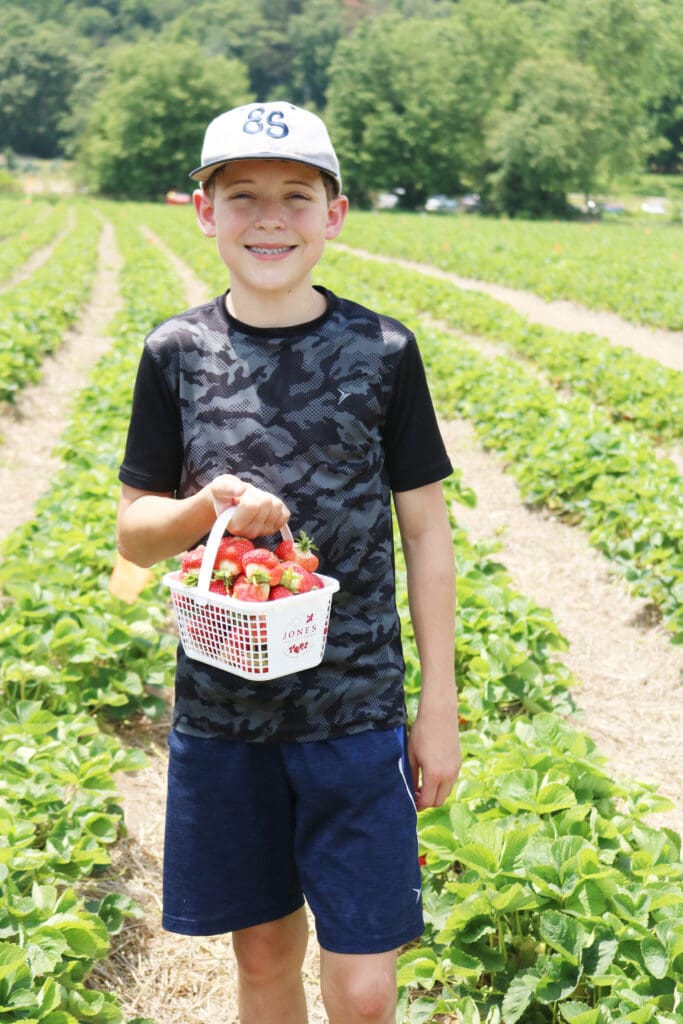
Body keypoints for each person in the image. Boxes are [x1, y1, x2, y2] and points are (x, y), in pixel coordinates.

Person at [116, 100, 461, 1024]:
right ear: (205, 212)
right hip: (226, 712)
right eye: (243, 197)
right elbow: (135, 536)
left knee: (362, 986)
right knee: (264, 952)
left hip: (355, 710)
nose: (270, 218)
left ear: (333, 214)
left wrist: (437, 708)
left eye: (296, 197)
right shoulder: (175, 354)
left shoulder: (382, 351)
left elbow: (426, 533)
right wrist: (204, 506)